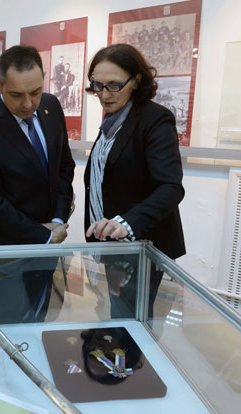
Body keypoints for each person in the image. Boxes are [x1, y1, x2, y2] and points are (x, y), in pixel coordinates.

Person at [0, 45, 75, 323]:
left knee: (39, 318)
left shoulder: (51, 106)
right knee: (11, 327)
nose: (28, 103)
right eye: (16, 95)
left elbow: (63, 168)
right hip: (8, 255)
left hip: (49, 245)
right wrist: (44, 235)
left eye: (35, 92)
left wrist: (58, 221)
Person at [83, 43, 185, 319]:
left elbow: (170, 187)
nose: (104, 94)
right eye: (98, 85)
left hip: (139, 243)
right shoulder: (113, 119)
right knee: (121, 314)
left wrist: (126, 223)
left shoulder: (154, 119)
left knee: (129, 319)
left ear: (136, 81)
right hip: (113, 243)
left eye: (114, 85)